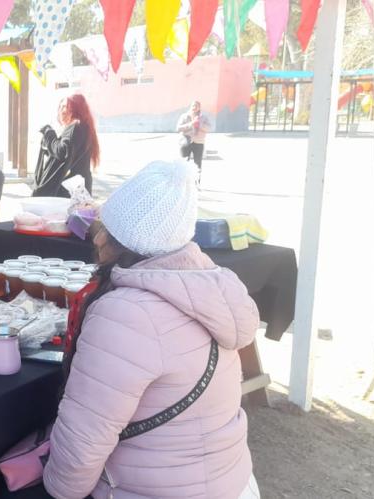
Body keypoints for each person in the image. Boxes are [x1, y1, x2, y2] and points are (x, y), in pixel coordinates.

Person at [43, 161, 260, 499]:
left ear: (129, 244)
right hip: (232, 483)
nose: (97, 238)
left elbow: (82, 444)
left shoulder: (125, 313)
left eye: (107, 231)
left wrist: (56, 490)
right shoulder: (215, 290)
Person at [34, 94, 100, 197]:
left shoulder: (75, 127)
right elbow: (69, 153)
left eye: (65, 106)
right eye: (61, 106)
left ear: (76, 109)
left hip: (69, 188)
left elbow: (62, 151)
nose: (62, 110)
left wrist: (49, 134)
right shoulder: (84, 127)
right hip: (78, 187)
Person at [177, 100, 212, 179]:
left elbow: (209, 128)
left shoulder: (204, 117)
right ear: (190, 106)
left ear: (199, 108)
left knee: (198, 164)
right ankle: (183, 182)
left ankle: (197, 183)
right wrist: (191, 124)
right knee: (184, 163)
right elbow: (178, 128)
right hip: (185, 142)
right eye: (193, 105)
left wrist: (200, 124)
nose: (194, 107)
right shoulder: (184, 116)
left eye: (196, 106)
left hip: (199, 143)